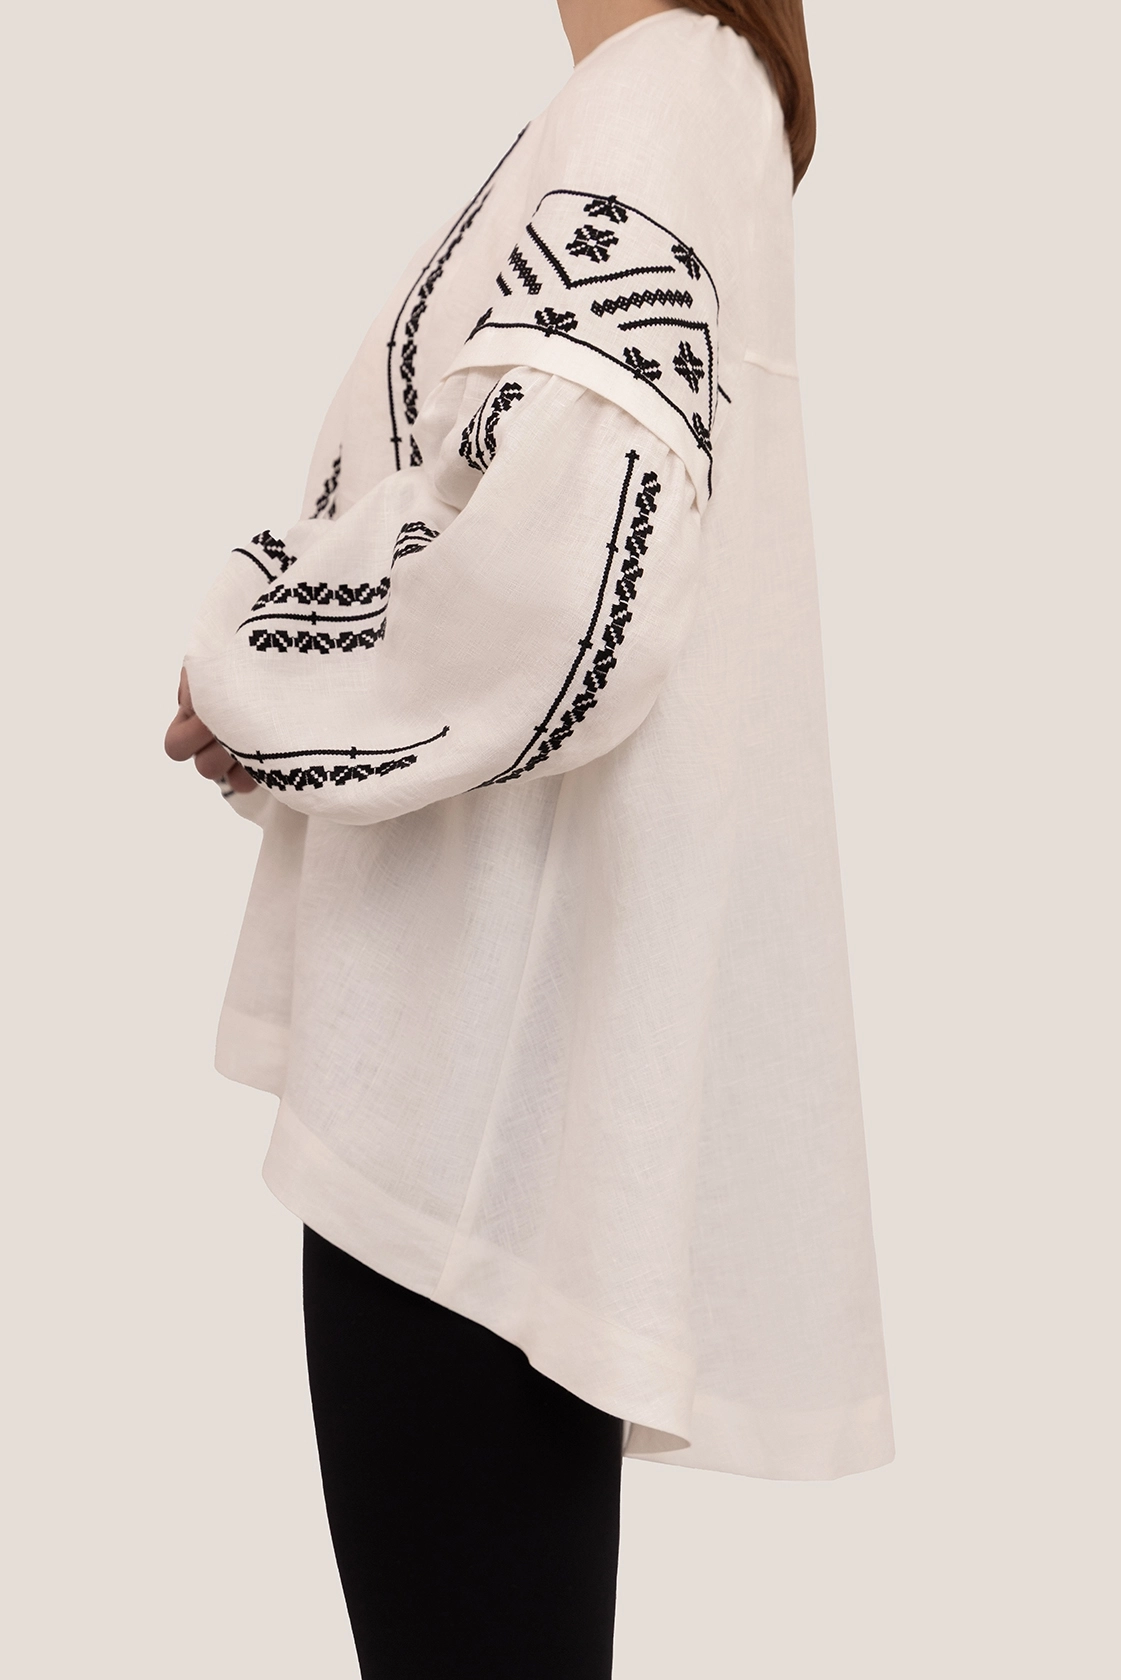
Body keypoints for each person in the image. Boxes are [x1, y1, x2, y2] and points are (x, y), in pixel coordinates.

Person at [165, 2, 893, 1674]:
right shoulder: (675, 102)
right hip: (495, 1079)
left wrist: (261, 664)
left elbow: (568, 570)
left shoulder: (662, 90)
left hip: (462, 1098)